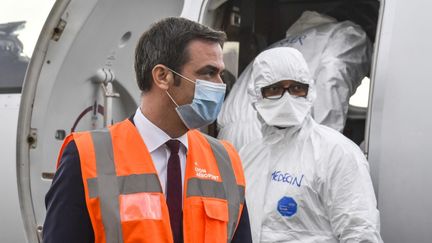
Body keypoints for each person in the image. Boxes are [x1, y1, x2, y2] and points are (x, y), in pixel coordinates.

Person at [43, 17, 252, 243]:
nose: (220, 84)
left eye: (220, 73)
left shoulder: (226, 161)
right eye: (208, 73)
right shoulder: (87, 155)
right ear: (162, 76)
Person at [240, 47, 382, 242]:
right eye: (275, 89)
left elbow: (360, 232)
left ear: (310, 91)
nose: (287, 98)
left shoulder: (336, 152)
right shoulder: (248, 155)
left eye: (297, 88)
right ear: (256, 94)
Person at [217, 11, 371, 150]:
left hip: (228, 135)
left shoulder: (279, 45)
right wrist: (327, 144)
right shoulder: (348, 36)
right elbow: (331, 83)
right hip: (270, 133)